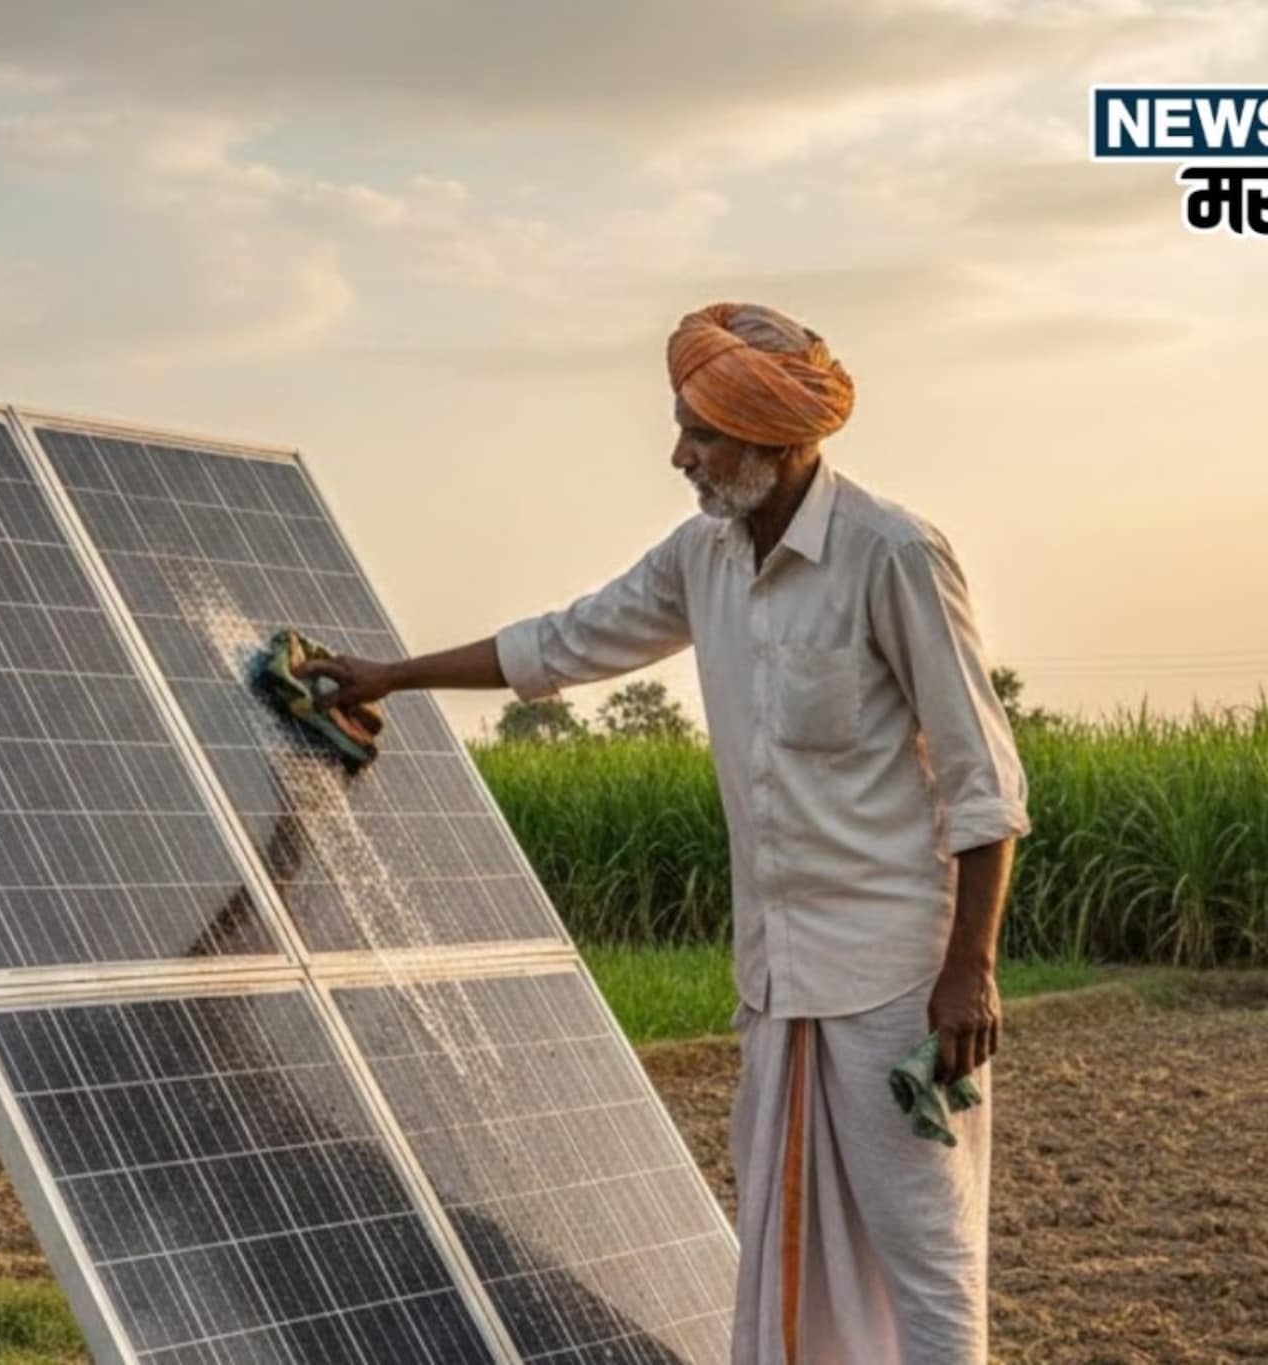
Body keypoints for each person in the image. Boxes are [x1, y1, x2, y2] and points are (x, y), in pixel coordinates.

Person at [302, 303, 1028, 1365]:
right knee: (784, 1249)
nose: (678, 453)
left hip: (895, 985)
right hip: (778, 979)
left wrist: (970, 970)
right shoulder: (705, 556)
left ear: (777, 441)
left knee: (921, 1250)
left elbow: (981, 777)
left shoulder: (890, 553)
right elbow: (565, 640)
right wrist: (391, 677)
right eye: (682, 424)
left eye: (701, 432)